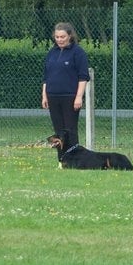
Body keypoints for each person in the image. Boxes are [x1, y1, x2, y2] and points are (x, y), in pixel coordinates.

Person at [42, 22, 90, 161]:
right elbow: (46, 76)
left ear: (70, 36)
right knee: (58, 132)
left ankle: (75, 160)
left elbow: (83, 77)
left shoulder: (78, 52)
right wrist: (44, 95)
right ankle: (62, 160)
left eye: (62, 36)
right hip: (52, 96)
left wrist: (78, 97)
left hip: (70, 97)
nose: (59, 39)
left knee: (70, 131)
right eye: (57, 37)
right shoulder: (52, 53)